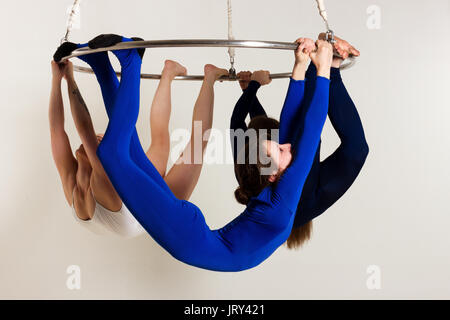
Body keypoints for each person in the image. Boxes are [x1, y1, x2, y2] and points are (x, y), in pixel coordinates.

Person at [87, 33, 332, 271]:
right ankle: (111, 64)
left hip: (188, 236)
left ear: (273, 175)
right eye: (279, 146)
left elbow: (312, 128)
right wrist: (298, 68)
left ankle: (124, 63)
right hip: (188, 237)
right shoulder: (274, 187)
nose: (288, 145)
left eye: (279, 148)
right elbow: (290, 128)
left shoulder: (282, 199)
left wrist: (324, 71)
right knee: (121, 153)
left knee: (117, 153)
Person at [50, 38, 228, 237]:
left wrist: (58, 79)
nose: (97, 138)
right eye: (95, 144)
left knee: (160, 139)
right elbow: (85, 129)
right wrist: (70, 80)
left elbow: (57, 130)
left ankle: (168, 72)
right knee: (197, 144)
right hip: (154, 215)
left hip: (128, 202)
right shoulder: (103, 180)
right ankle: (209, 77)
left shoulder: (72, 187)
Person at [230, 35, 369, 249]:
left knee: (302, 134)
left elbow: (289, 124)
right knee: (352, 149)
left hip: (290, 194)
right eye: (277, 144)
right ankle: (329, 66)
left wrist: (300, 66)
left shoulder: (255, 165)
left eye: (273, 141)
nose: (283, 144)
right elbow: (310, 126)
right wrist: (320, 69)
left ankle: (328, 65)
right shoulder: (287, 188)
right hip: (306, 201)